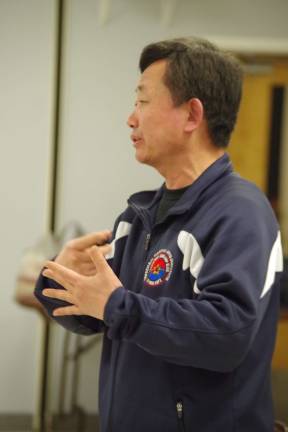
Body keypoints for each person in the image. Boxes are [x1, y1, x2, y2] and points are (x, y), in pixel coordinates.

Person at [35, 37, 283, 432]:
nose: (130, 118)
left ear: (191, 115)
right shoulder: (139, 216)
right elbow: (99, 317)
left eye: (143, 102)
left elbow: (227, 333)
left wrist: (117, 306)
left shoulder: (240, 211)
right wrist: (60, 280)